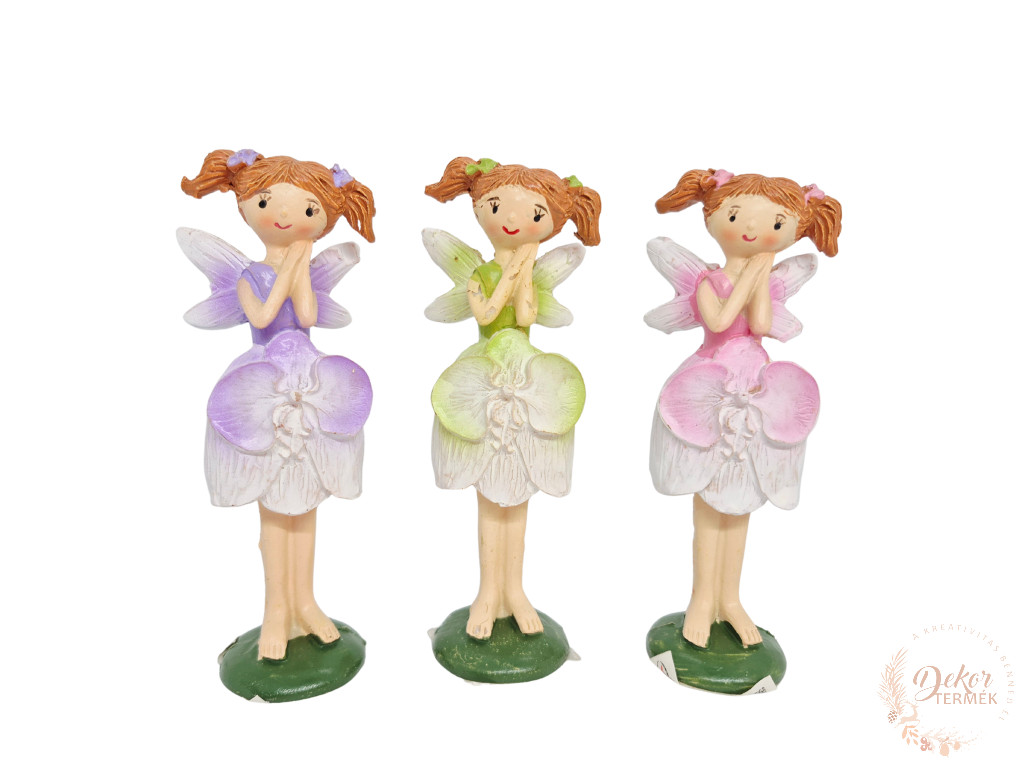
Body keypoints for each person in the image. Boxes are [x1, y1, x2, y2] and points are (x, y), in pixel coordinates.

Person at [180, 149, 375, 660]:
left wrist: (300, 270)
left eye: (307, 209)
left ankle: (305, 602)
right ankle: (276, 610)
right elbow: (265, 316)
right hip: (262, 380)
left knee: (306, 502)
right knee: (272, 506)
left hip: (309, 379)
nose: (286, 216)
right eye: (268, 202)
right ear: (247, 206)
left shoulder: (301, 267)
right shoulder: (250, 275)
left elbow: (306, 316)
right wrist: (290, 266)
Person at [646, 168, 842, 648]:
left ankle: (729, 599)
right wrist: (752, 272)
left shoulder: (762, 280)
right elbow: (718, 321)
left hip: (754, 384)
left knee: (742, 499)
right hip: (710, 382)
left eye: (774, 224)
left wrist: (759, 279)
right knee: (707, 500)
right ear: (714, 218)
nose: (752, 229)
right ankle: (701, 599)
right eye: (736, 216)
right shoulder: (709, 280)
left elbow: (761, 324)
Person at [423, 157, 601, 639]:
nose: (512, 220)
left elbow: (525, 314)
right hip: (482, 373)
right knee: (487, 493)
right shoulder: (479, 273)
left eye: (534, 214)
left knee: (519, 489)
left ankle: (515, 591)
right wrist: (513, 267)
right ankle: (487, 593)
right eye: (497, 206)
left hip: (526, 375)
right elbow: (485, 312)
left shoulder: (530, 272)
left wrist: (525, 272)